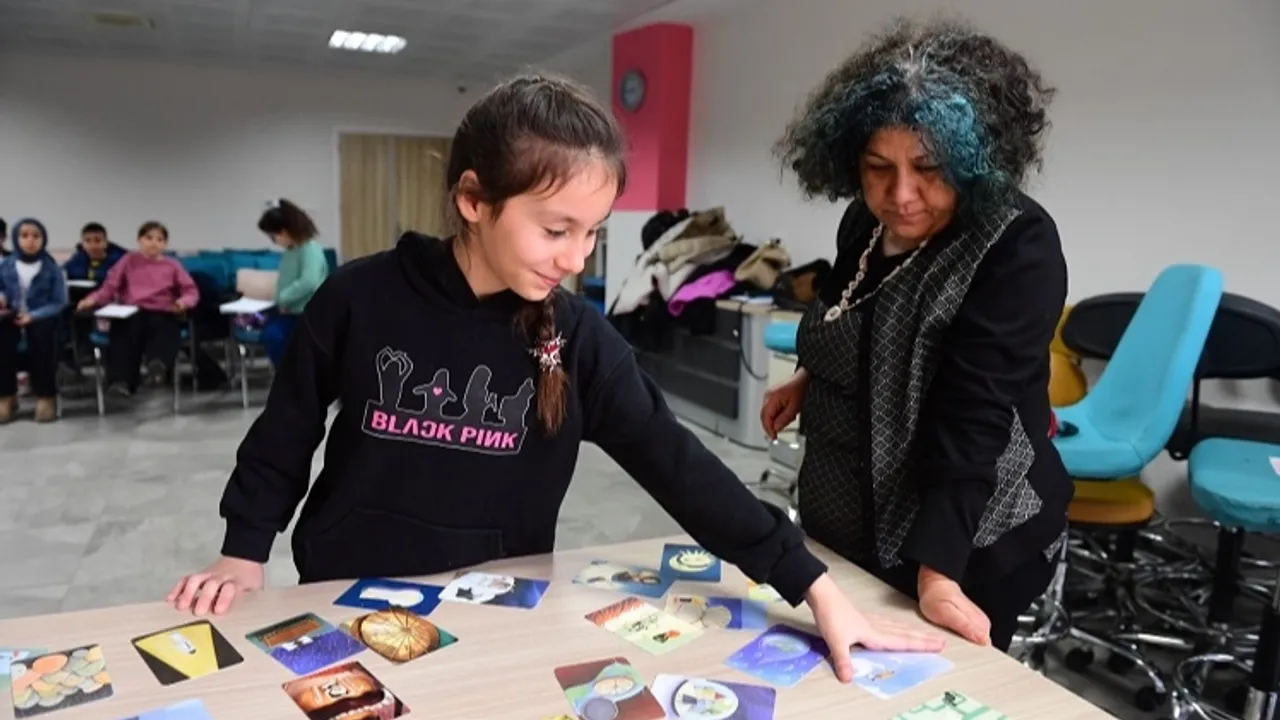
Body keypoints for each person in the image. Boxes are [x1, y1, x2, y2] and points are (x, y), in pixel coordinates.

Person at [168, 73, 944, 679]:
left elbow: (683, 469)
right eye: (555, 229)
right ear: (473, 199)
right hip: (343, 593)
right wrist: (244, 548)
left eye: (592, 232)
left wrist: (812, 585)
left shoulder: (576, 338)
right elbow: (287, 429)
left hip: (495, 608)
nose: (575, 258)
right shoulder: (359, 298)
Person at [764, 16, 1071, 653]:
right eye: (877, 167)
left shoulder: (1017, 244)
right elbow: (851, 310)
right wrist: (810, 374)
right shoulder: (863, 222)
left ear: (974, 158)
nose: (900, 194)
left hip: (962, 544)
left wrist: (939, 573)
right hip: (847, 529)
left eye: (929, 168)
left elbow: (974, 413)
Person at [77, 221, 199, 396]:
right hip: (132, 311)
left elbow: (190, 291)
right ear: (139, 240)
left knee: (163, 328)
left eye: (159, 239)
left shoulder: (172, 265)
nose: (153, 243)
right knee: (122, 335)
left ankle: (157, 366)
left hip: (162, 310)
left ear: (165, 244)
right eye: (149, 238)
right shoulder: (128, 260)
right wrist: (92, 299)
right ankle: (121, 382)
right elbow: (109, 287)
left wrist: (182, 303)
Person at [0, 218, 67, 423]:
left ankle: (46, 397)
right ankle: (6, 396)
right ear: (15, 238)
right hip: (12, 315)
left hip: (41, 317)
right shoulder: (6, 265)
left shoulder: (51, 268)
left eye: (36, 236)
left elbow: (59, 302)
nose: (30, 241)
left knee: (41, 337)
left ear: (43, 239)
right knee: (2, 337)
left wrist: (33, 316)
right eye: (24, 236)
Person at [256, 198, 329, 368]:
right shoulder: (290, 252)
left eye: (273, 235)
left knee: (276, 338)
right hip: (289, 311)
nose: (273, 240)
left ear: (285, 231)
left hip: (306, 314)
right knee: (271, 336)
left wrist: (283, 297)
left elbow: (309, 281)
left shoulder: (310, 249)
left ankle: (292, 377)